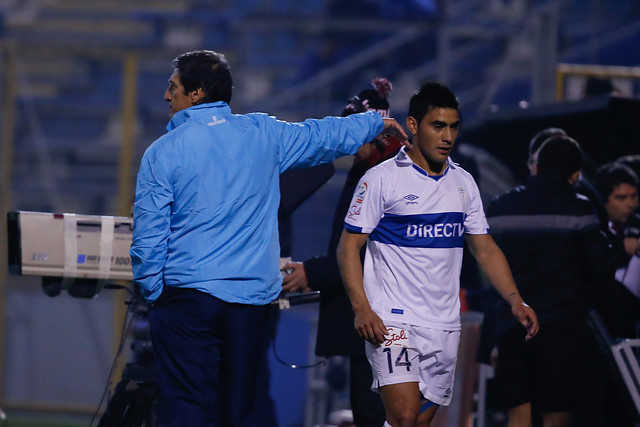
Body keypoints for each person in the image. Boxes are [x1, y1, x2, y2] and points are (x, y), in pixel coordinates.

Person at [129, 50, 408, 426]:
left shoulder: (163, 152)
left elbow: (148, 235)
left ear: (196, 94)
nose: (166, 95)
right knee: (241, 406)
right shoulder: (262, 133)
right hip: (249, 304)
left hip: (187, 300)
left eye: (173, 86)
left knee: (186, 405)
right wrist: (373, 122)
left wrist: (153, 293)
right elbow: (322, 135)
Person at [336, 82, 538, 426]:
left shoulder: (464, 183)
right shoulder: (381, 179)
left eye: (453, 127)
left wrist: (516, 300)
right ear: (413, 126)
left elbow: (485, 248)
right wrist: (362, 308)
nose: (447, 136)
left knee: (416, 422)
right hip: (393, 321)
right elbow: (348, 246)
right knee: (403, 416)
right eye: (438, 126)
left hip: (444, 325)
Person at [282, 77, 401, 427]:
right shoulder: (371, 168)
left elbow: (368, 255)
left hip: (382, 322)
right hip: (372, 324)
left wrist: (313, 273)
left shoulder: (386, 176)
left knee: (378, 415)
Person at [482, 136, 614, 427]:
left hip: (510, 326)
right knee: (556, 415)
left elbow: (489, 267)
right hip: (560, 329)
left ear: (536, 167)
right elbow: (602, 268)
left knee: (518, 415)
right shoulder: (579, 211)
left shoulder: (500, 207)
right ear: (575, 175)